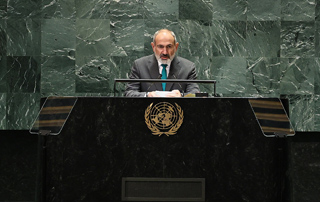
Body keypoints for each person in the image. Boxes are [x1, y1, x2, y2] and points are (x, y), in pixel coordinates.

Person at [124, 29, 200, 97]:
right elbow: (129, 93)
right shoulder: (140, 65)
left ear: (176, 47)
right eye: (160, 46)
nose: (165, 52)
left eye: (169, 46)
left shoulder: (188, 68)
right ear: (153, 47)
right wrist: (147, 95)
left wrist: (181, 96)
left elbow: (195, 93)